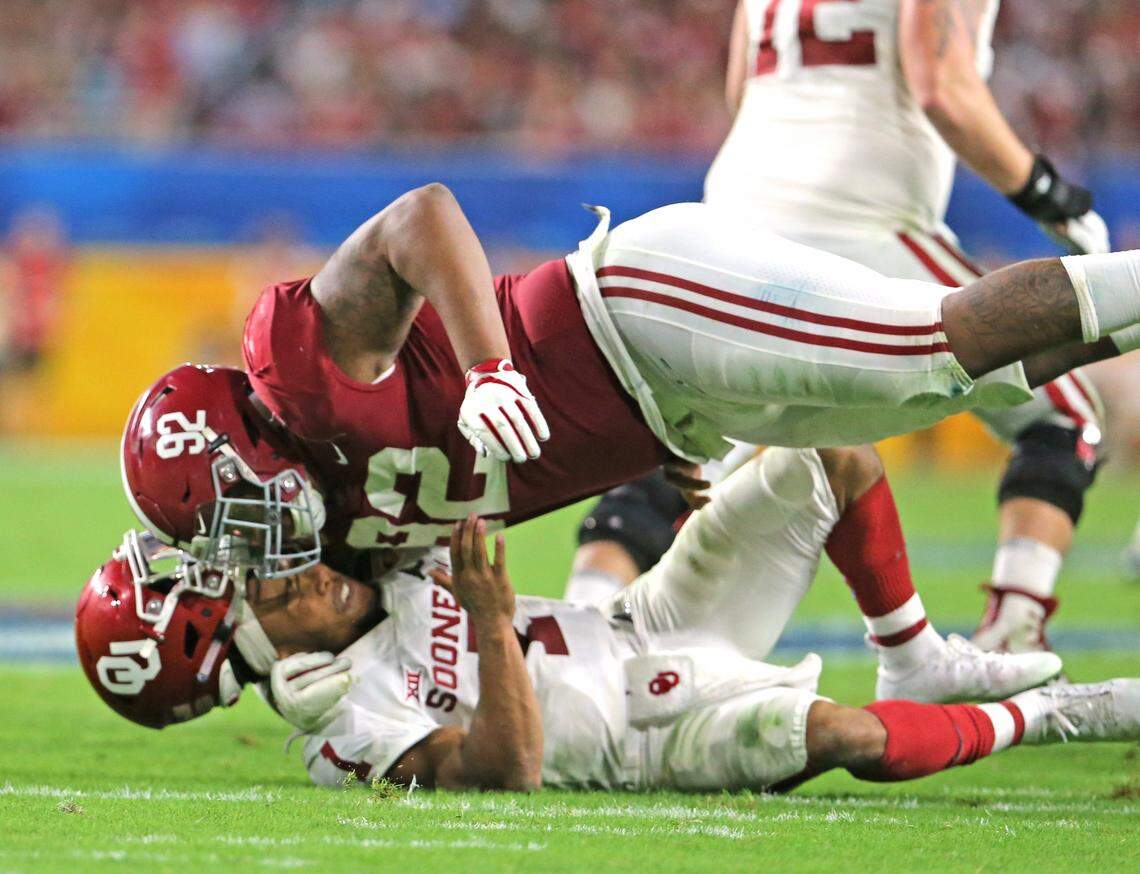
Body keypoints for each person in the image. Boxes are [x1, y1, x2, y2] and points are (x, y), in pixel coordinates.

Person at [124, 184, 1140, 588]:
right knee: (950, 388)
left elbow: (420, 218)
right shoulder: (336, 537)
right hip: (667, 399)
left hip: (637, 309)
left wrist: (486, 370)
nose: (255, 535)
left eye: (238, 505)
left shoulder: (304, 367)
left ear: (245, 438)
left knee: (930, 341)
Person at [85, 449, 1138, 793]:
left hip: (646, 615)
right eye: (239, 588)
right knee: (840, 735)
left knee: (833, 452)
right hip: (651, 732)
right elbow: (509, 770)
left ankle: (912, 656)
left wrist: (641, 444)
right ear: (208, 645)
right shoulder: (343, 729)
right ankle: (1060, 715)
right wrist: (493, 624)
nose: (266, 567)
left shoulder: (340, 561)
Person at [703, 0, 1115, 653]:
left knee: (689, 442)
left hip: (731, 219)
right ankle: (1014, 629)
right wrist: (1047, 192)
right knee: (1063, 417)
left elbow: (739, 94)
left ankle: (595, 615)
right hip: (864, 219)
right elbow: (943, 89)